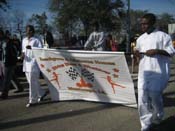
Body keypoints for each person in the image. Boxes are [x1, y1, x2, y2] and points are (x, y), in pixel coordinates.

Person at [134, 13, 175, 131]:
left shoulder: (163, 36)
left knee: (155, 95)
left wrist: (157, 51)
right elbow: (138, 55)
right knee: (142, 98)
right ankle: (145, 124)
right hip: (143, 72)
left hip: (158, 72)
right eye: (141, 24)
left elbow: (171, 52)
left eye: (145, 24)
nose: (143, 26)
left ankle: (158, 116)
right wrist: (136, 55)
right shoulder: (140, 39)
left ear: (152, 23)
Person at [21, 25, 48, 107]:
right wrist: (21, 55)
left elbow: (41, 50)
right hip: (26, 63)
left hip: (34, 63)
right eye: (28, 30)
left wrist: (32, 47)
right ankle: (42, 93)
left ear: (33, 31)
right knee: (31, 82)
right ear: (26, 31)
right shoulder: (24, 40)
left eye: (31, 30)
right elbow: (23, 50)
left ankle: (33, 100)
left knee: (32, 83)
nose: (29, 32)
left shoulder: (37, 40)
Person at [0, 32, 18, 99]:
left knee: (6, 79)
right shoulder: (3, 44)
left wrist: (15, 62)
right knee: (9, 77)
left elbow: (14, 53)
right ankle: (19, 87)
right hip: (5, 62)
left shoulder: (11, 44)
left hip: (9, 63)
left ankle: (4, 93)